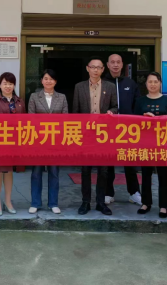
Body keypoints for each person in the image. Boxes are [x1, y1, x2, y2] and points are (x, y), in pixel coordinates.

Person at [73, 57, 118, 216]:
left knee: (103, 170)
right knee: (85, 169)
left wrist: (112, 111)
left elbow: (115, 106)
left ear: (103, 69)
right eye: (93, 67)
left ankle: (100, 202)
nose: (95, 70)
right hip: (86, 134)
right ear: (88, 68)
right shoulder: (79, 87)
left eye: (99, 67)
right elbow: (75, 112)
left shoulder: (110, 87)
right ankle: (85, 202)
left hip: (103, 133)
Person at [134, 72, 167, 219]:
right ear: (146, 84)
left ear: (160, 84)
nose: (152, 84)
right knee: (146, 175)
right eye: (150, 82)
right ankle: (145, 203)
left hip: (162, 143)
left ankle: (163, 206)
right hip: (146, 143)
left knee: (163, 175)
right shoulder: (140, 101)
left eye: (155, 82)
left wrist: (158, 119)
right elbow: (134, 122)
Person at [27, 69, 69, 215]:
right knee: (36, 173)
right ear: (41, 81)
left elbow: (65, 119)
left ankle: (53, 203)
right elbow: (31, 118)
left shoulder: (62, 97)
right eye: (46, 78)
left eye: (51, 79)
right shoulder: (34, 97)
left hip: (55, 141)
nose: (48, 81)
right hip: (38, 140)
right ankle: (35, 203)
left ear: (55, 81)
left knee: (54, 173)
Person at [103, 53, 142, 206]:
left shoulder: (130, 84)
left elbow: (137, 105)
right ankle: (108, 192)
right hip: (107, 131)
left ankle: (134, 193)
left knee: (130, 163)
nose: (115, 65)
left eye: (118, 62)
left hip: (128, 131)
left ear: (122, 64)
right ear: (107, 65)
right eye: (112, 62)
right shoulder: (103, 83)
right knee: (108, 162)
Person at [0, 72, 26, 216]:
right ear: (0, 85)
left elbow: (25, 122)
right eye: (5, 83)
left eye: (10, 83)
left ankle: (8, 201)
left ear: (14, 85)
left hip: (14, 142)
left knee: (9, 171)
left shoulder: (20, 101)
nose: (8, 86)